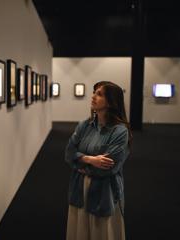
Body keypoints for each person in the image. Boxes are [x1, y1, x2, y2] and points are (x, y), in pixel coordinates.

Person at [65, 81, 132, 240]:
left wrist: (80, 164)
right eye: (94, 92)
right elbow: (68, 154)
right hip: (79, 188)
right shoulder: (84, 125)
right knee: (80, 231)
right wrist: (90, 159)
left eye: (99, 94)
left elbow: (108, 168)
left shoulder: (120, 131)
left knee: (101, 232)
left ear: (111, 101)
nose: (93, 96)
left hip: (104, 191)